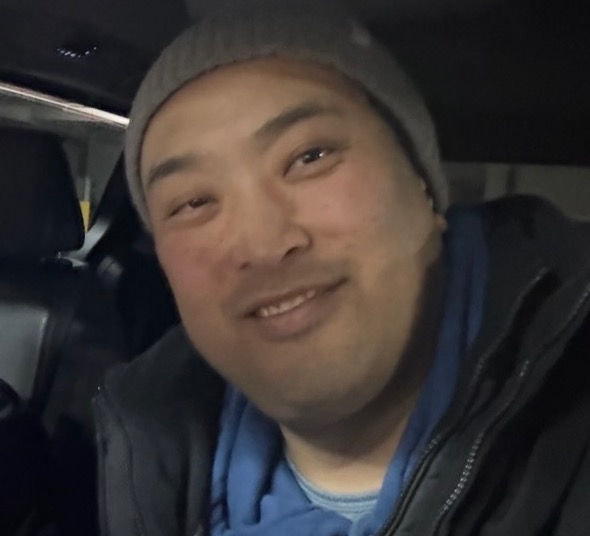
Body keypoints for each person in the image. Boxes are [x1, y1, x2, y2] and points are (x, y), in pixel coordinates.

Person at [94, 2, 590, 535]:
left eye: (310, 157)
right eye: (193, 203)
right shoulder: (142, 445)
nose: (263, 244)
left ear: (424, 187)